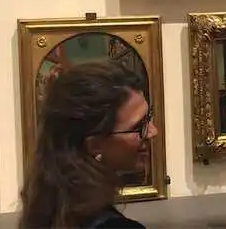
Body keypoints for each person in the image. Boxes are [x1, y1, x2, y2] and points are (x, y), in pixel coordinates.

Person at [19, 61, 155, 228]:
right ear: (94, 145)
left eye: (149, 118)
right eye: (139, 127)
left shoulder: (52, 208)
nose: (153, 132)